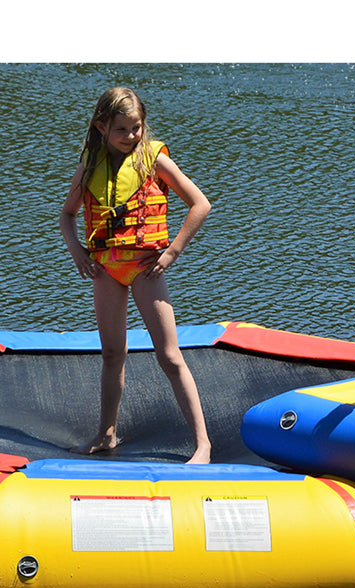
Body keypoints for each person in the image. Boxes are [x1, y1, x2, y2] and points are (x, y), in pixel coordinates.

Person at [59, 87, 212, 464]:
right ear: (101, 126)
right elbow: (67, 215)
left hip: (145, 270)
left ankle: (203, 444)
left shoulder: (153, 159)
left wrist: (173, 251)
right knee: (112, 354)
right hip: (105, 270)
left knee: (169, 355)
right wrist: (78, 251)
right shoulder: (91, 164)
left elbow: (200, 204)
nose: (130, 136)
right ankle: (106, 435)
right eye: (122, 130)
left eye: (136, 128)